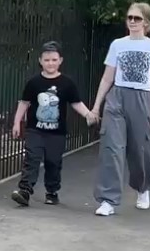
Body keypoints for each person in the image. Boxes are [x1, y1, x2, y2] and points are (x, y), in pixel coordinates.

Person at [91, 2, 150, 216]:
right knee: (112, 148)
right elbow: (107, 77)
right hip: (117, 96)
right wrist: (96, 106)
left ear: (146, 22)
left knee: (141, 150)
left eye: (137, 18)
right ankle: (108, 200)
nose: (132, 21)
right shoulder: (118, 44)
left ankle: (142, 188)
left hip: (142, 98)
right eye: (129, 17)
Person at [10, 41, 98, 206]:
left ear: (60, 61)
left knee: (53, 162)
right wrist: (17, 122)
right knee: (31, 158)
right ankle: (25, 190)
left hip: (57, 132)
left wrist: (88, 114)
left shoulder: (67, 83)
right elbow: (24, 103)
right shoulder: (34, 82)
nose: (50, 63)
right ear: (40, 61)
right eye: (47, 60)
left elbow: (75, 102)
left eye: (54, 60)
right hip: (35, 130)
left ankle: (52, 191)